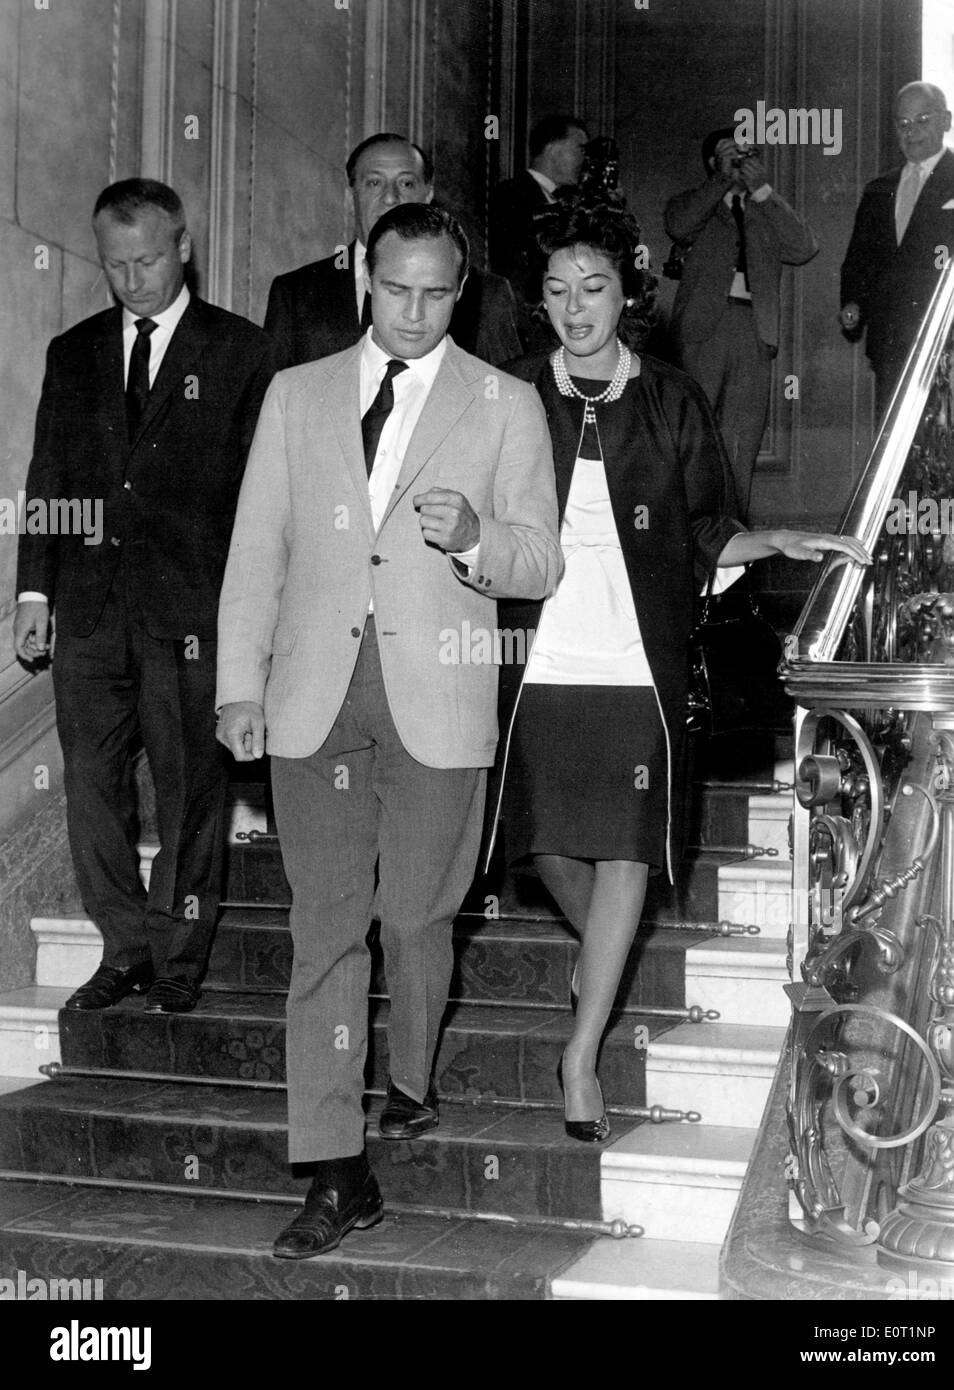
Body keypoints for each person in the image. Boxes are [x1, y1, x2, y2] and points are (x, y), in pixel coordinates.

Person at [216, 204, 562, 1258]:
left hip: (438, 695)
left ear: (462, 291)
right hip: (313, 698)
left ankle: (407, 1075)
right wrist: (240, 684)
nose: (413, 312)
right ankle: (334, 1167)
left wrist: (476, 542)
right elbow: (258, 549)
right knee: (324, 933)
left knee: (415, 919)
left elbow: (540, 560)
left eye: (436, 292)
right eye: (396, 287)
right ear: (366, 276)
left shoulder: (505, 402)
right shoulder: (296, 392)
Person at [488, 201, 870, 1140]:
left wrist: (771, 536)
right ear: (538, 299)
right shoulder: (504, 395)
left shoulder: (669, 395)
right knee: (539, 845)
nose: (576, 309)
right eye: (557, 290)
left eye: (595, 289)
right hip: (531, 657)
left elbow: (703, 525)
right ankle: (608, 959)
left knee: (624, 847)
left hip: (633, 655)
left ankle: (580, 1057)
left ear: (627, 294)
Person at [13, 178, 274, 1015]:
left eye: (148, 259)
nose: (132, 279)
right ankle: (123, 949)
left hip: (193, 615)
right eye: (115, 264)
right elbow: (48, 474)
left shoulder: (242, 351)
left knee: (192, 788)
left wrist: (253, 622)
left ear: (184, 246)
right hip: (89, 612)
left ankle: (179, 956)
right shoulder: (75, 350)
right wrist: (31, 593)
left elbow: (259, 499)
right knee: (91, 787)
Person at [264, 132, 521, 369]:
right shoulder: (295, 293)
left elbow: (505, 392)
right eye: (374, 183)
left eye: (406, 183)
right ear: (349, 194)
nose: (390, 198)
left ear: (429, 192)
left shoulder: (486, 294)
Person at [665, 126, 818, 519]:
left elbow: (804, 247)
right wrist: (721, 181)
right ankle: (688, 534)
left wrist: (764, 191)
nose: (739, 159)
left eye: (745, 153)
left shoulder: (765, 208)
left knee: (741, 440)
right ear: (711, 163)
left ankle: (733, 537)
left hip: (754, 331)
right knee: (693, 437)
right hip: (704, 331)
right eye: (728, 153)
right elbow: (678, 225)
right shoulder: (697, 204)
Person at [840, 82, 954, 419]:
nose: (912, 132)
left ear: (946, 121)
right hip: (890, 342)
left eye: (922, 120)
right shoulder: (879, 190)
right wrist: (853, 301)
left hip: (952, 339)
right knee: (893, 439)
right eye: (903, 124)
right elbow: (860, 259)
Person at [489, 114, 589, 346]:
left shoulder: (572, 202)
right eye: (580, 149)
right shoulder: (510, 195)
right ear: (553, 149)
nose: (585, 159)